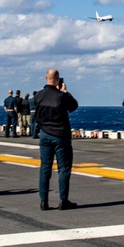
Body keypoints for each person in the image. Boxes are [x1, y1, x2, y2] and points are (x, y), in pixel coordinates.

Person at [33, 69, 79, 211]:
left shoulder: (38, 96)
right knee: (64, 168)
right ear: (58, 79)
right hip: (60, 136)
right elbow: (74, 106)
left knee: (45, 168)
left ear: (46, 77)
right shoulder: (61, 96)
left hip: (45, 135)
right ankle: (63, 200)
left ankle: (43, 201)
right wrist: (65, 92)